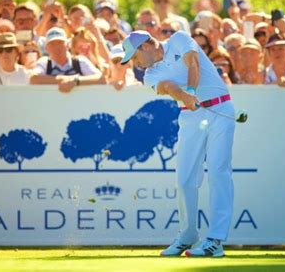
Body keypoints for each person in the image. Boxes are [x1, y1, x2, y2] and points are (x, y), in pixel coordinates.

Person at [120, 30, 235, 257]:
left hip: (221, 110)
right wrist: (185, 96)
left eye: (134, 57)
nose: (135, 63)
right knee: (184, 179)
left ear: (145, 46)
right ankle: (188, 234)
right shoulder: (149, 75)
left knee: (218, 172)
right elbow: (169, 88)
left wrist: (191, 90)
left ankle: (215, 240)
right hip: (190, 116)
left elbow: (193, 63)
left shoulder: (179, 39)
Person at [30, 27, 106, 93]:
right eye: (52, 44)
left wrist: (76, 81)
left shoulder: (79, 61)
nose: (57, 47)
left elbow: (101, 79)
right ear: (47, 48)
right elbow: (33, 78)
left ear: (67, 45)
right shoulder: (45, 62)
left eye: (60, 43)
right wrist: (60, 80)